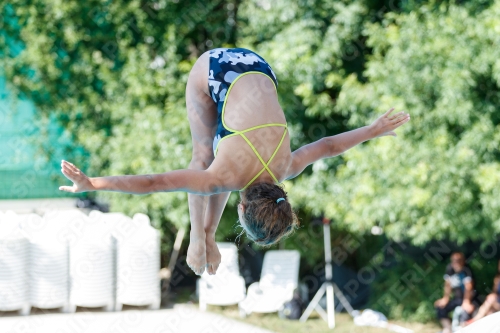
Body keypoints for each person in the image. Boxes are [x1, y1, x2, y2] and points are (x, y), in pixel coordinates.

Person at [58, 47, 410, 276]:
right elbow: (154, 183)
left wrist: (373, 129)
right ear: (241, 210)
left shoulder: (287, 165)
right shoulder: (222, 178)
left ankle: (205, 235)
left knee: (214, 170)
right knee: (202, 160)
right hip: (211, 69)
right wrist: (92, 184)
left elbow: (330, 145)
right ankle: (202, 236)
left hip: (257, 65)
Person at [434, 252, 476, 333]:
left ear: (463, 261)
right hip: (457, 299)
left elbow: (469, 288)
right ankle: (447, 329)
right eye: (453, 261)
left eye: (458, 261)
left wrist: (466, 302)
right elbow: (447, 285)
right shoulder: (450, 268)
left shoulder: (466, 270)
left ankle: (463, 329)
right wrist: (445, 298)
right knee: (440, 307)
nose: (455, 263)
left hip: (469, 298)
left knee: (466, 311)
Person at [466, 259, 500, 325]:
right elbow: (494, 292)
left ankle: (474, 320)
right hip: (496, 303)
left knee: (491, 299)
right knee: (489, 312)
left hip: (495, 303)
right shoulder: (497, 278)